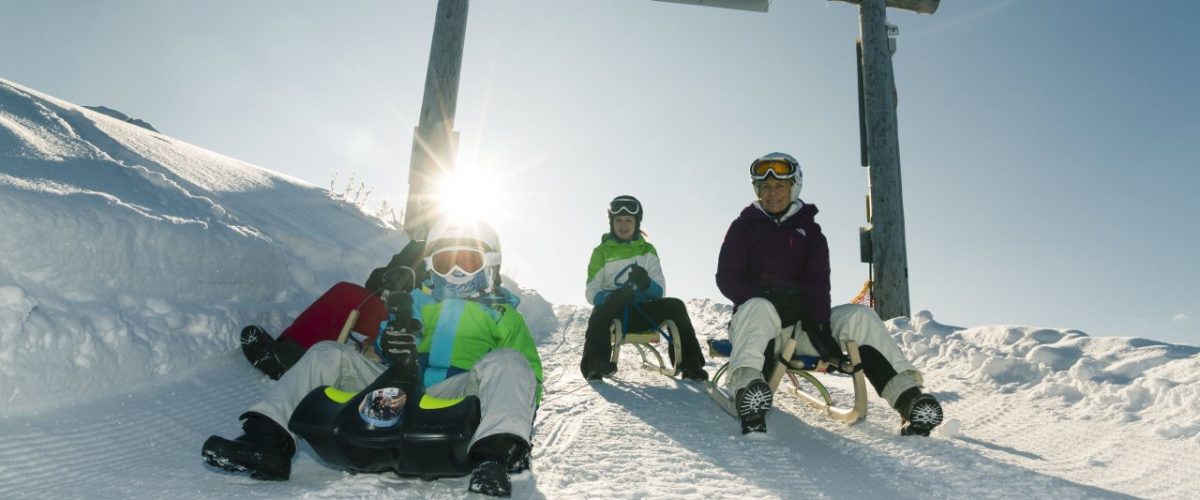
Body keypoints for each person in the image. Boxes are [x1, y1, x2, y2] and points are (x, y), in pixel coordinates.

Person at [202, 219, 542, 497]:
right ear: (431, 267)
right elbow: (381, 340)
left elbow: (529, 378)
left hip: (454, 397)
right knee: (328, 353)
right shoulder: (416, 300)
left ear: (489, 265)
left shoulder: (502, 315)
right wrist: (389, 342)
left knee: (511, 362)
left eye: (467, 261)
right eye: (444, 261)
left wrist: (508, 413)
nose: (454, 271)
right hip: (397, 388)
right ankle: (266, 441)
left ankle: (494, 455)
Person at [715, 152, 943, 436]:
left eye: (780, 186)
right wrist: (768, 297)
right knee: (760, 306)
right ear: (758, 191)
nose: (773, 193)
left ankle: (909, 399)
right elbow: (727, 278)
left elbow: (819, 283)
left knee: (859, 316)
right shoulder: (743, 227)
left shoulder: (811, 233)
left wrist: (819, 324)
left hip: (804, 327)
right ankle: (748, 390)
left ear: (793, 187)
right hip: (759, 327)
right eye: (766, 187)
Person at [239, 239, 427, 379]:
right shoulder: (419, 246)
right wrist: (391, 278)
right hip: (394, 314)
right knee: (345, 293)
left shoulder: (455, 251)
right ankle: (289, 354)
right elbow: (374, 282)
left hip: (426, 325)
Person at [580, 195, 708, 381]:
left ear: (637, 223)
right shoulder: (601, 252)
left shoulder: (648, 251)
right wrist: (609, 298)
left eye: (629, 220)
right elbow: (591, 291)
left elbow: (660, 291)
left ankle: (690, 364)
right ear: (612, 223)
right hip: (614, 312)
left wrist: (646, 283)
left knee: (675, 305)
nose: (624, 225)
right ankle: (595, 364)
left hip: (643, 313)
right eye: (619, 220)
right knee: (599, 311)